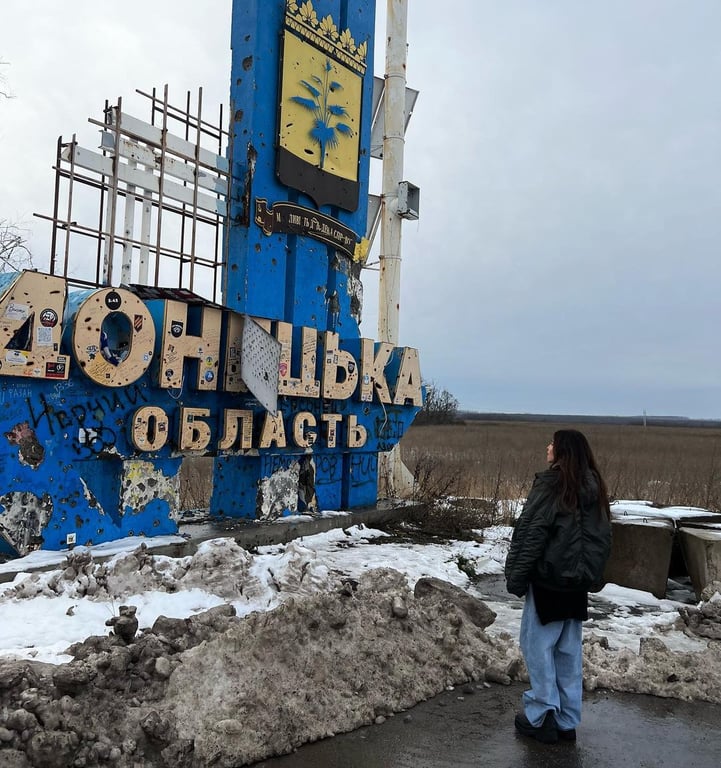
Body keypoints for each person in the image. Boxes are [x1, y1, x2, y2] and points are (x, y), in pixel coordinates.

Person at [504, 429, 612, 744]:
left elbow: (532, 532)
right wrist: (591, 575)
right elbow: (603, 539)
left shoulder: (553, 485)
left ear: (564, 451)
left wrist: (516, 575)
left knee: (538, 648)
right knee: (567, 652)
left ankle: (541, 716)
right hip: (576, 586)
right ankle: (567, 720)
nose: (548, 446)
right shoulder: (594, 487)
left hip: (548, 582)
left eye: (553, 442)